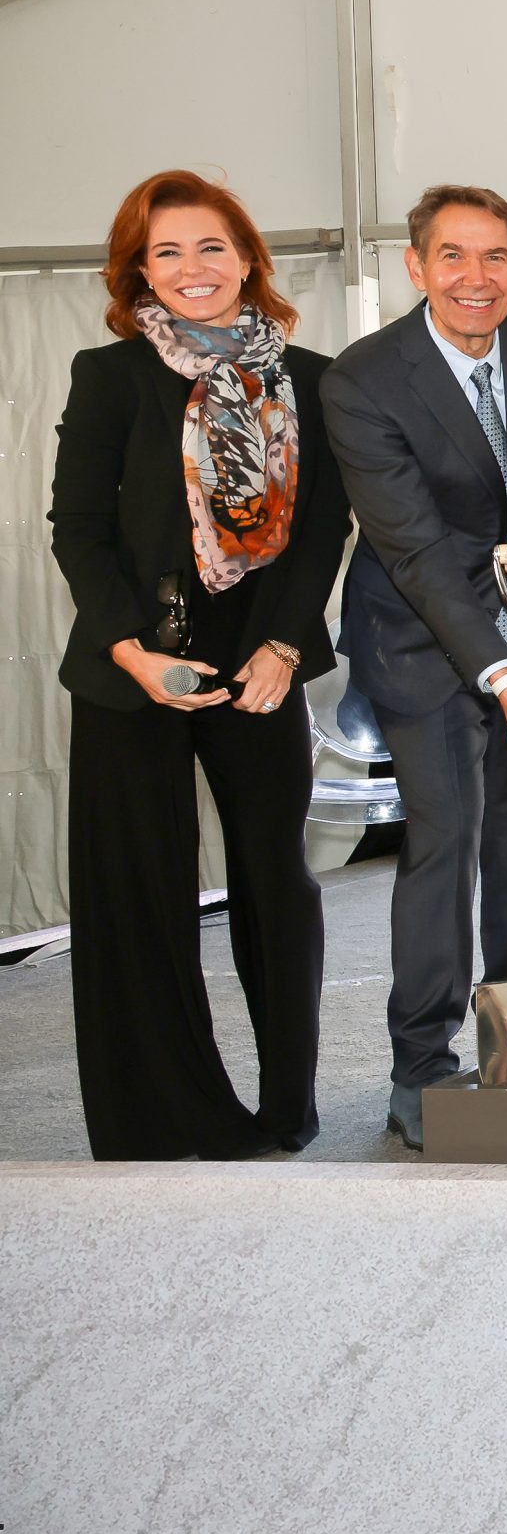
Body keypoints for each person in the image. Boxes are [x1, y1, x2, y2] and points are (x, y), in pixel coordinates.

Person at [48, 170, 350, 1159]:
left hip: (258, 659)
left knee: (276, 881)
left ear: (249, 258)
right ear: (139, 269)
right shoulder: (112, 375)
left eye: (211, 247)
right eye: (167, 251)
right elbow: (79, 530)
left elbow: (320, 532)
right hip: (136, 665)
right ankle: (162, 1116)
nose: (192, 269)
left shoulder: (311, 378)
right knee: (141, 888)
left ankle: (286, 1109)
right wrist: (132, 653)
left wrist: (284, 643)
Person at [323, 185, 507, 1148]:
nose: (474, 279)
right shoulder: (363, 380)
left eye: (494, 259)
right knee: (445, 840)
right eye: (453, 257)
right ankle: (423, 1067)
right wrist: (501, 676)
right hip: (422, 639)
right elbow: (416, 551)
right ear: (416, 265)